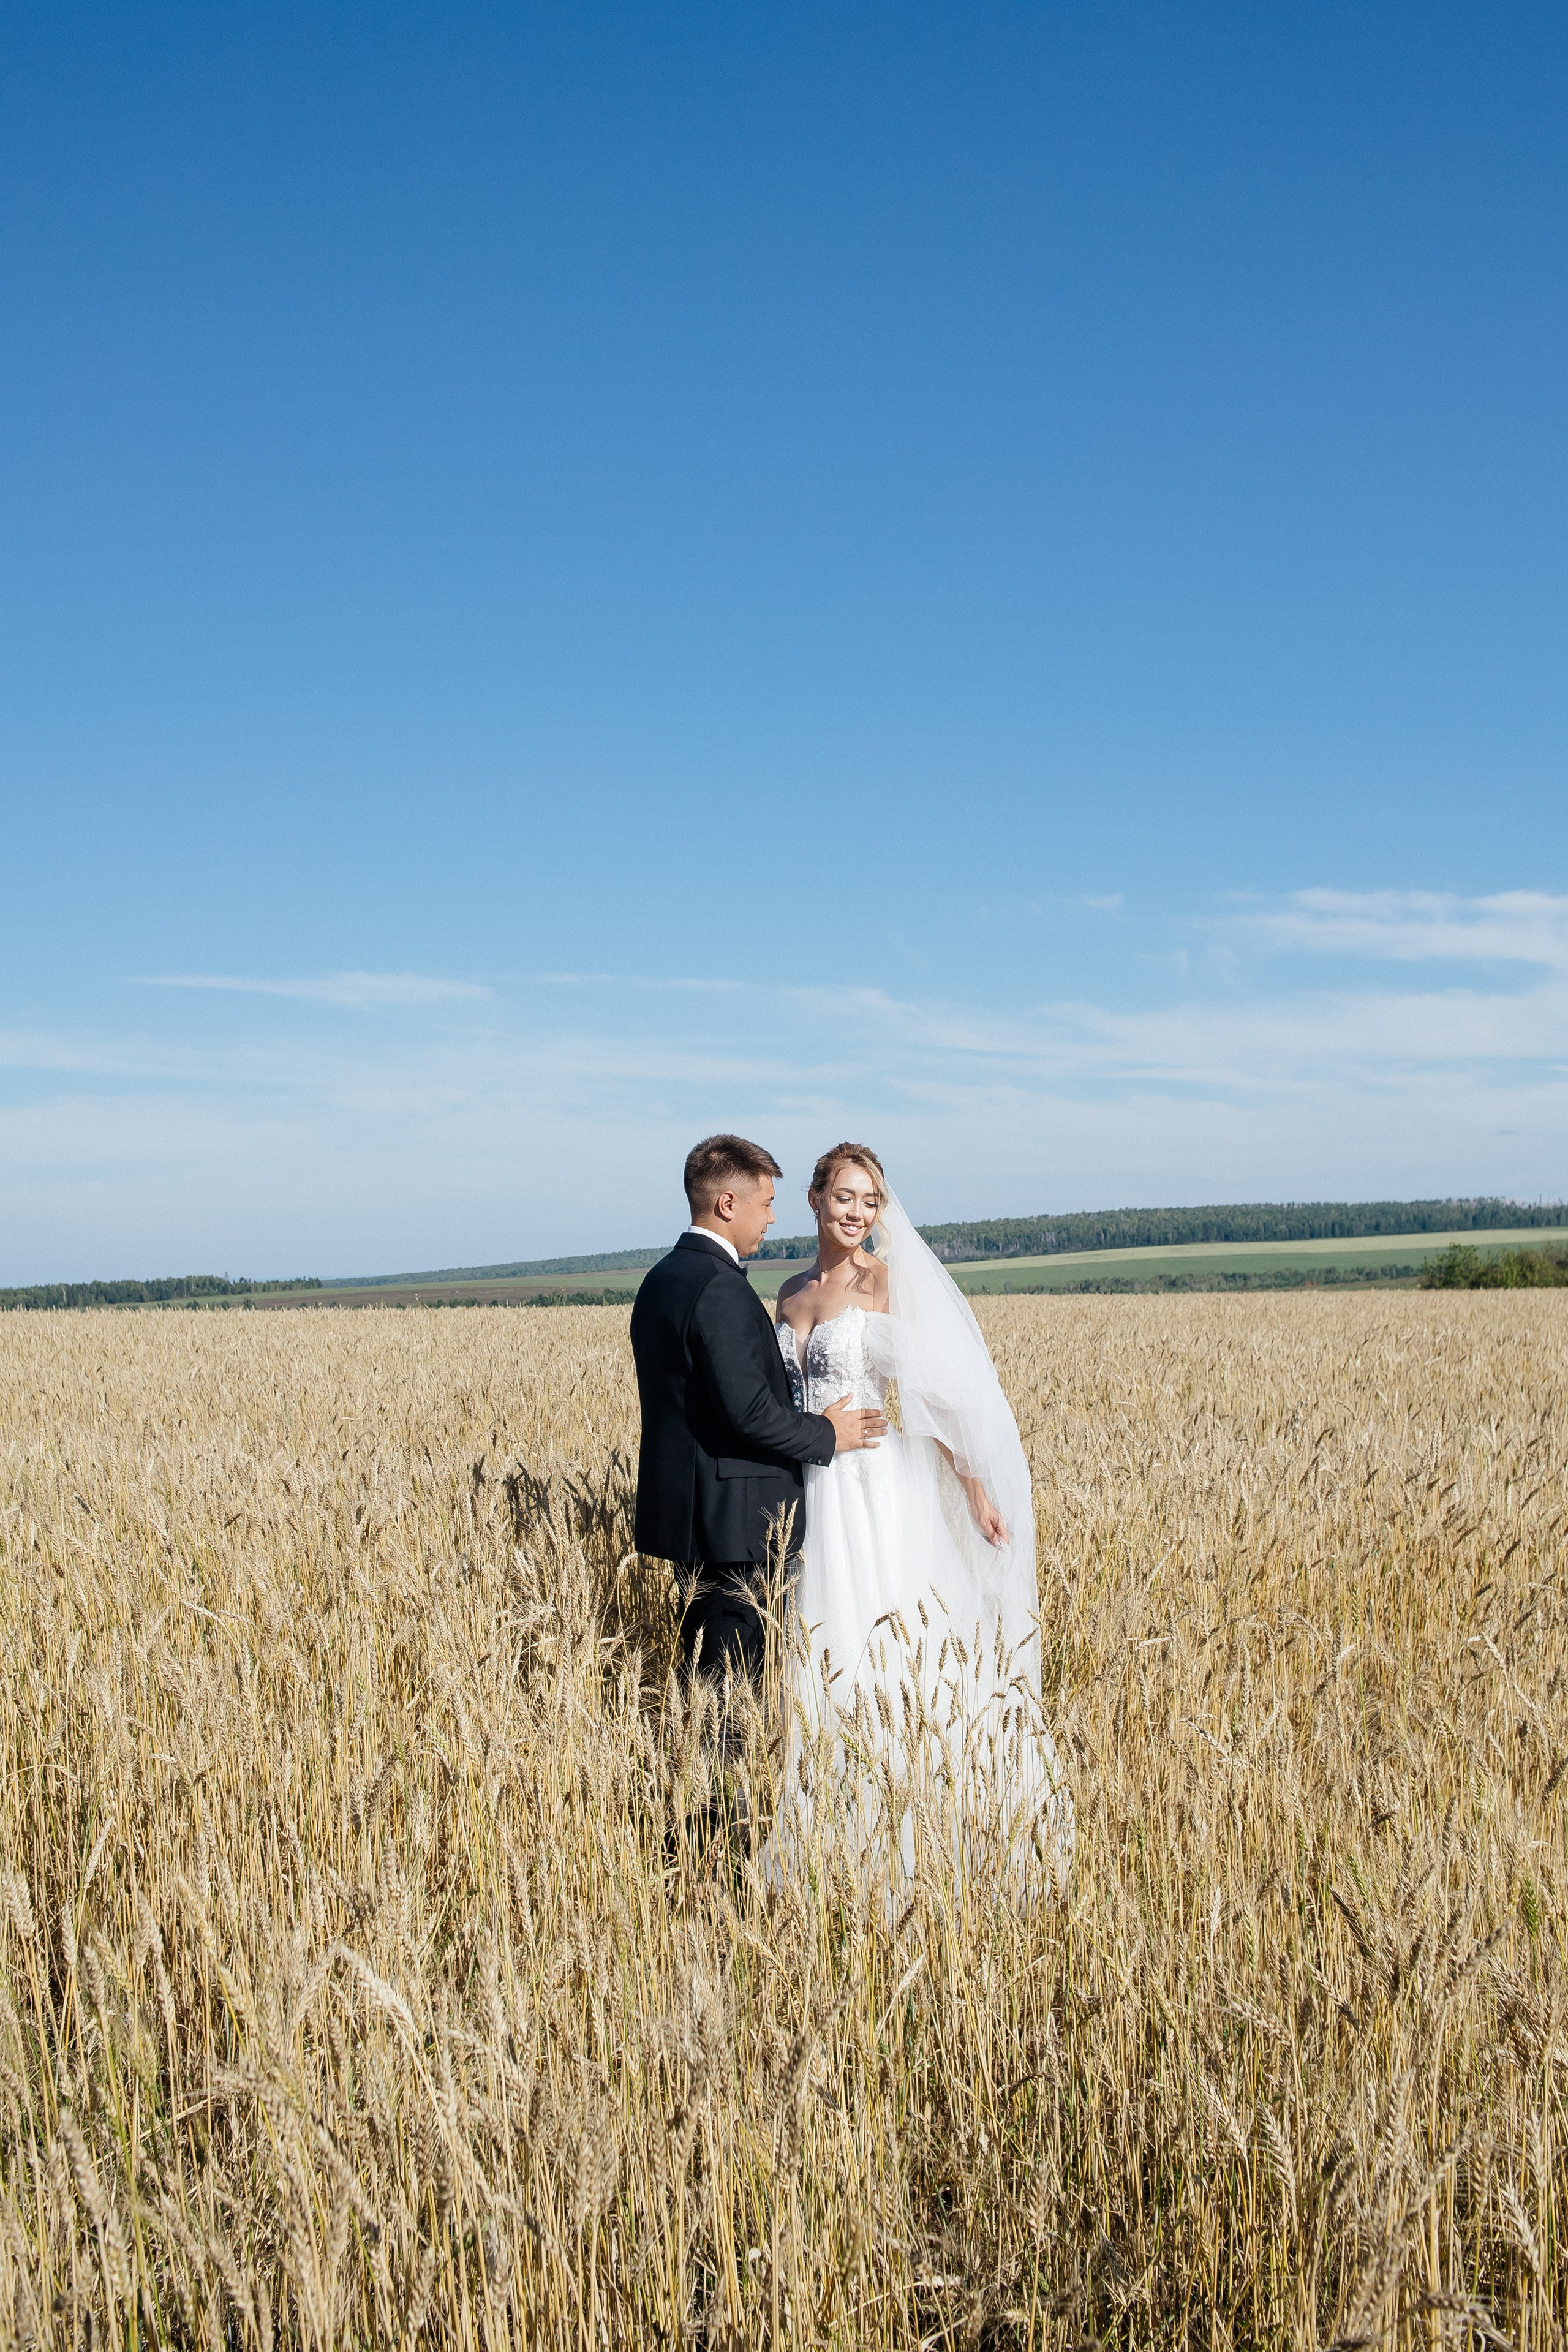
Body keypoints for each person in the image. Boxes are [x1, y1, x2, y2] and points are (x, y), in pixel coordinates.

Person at [772, 1142, 1073, 1879]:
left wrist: (973, 1488)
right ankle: (834, 1838)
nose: (857, 1213)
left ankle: (927, 1829)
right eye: (844, 1197)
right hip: (813, 1490)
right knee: (824, 1651)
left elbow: (937, 1393)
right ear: (815, 1200)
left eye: (870, 1201)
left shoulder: (884, 1283)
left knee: (886, 1651)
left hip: (873, 1488)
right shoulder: (785, 1292)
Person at [629, 1134, 888, 1691]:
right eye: (766, 1203)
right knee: (731, 1688)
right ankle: (723, 1780)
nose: (772, 1217)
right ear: (728, 1204)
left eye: (871, 1202)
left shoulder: (660, 1281)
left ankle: (710, 1773)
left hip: (695, 1517)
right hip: (737, 1523)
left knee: (710, 1678)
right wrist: (825, 1433)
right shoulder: (721, 1288)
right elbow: (747, 1410)